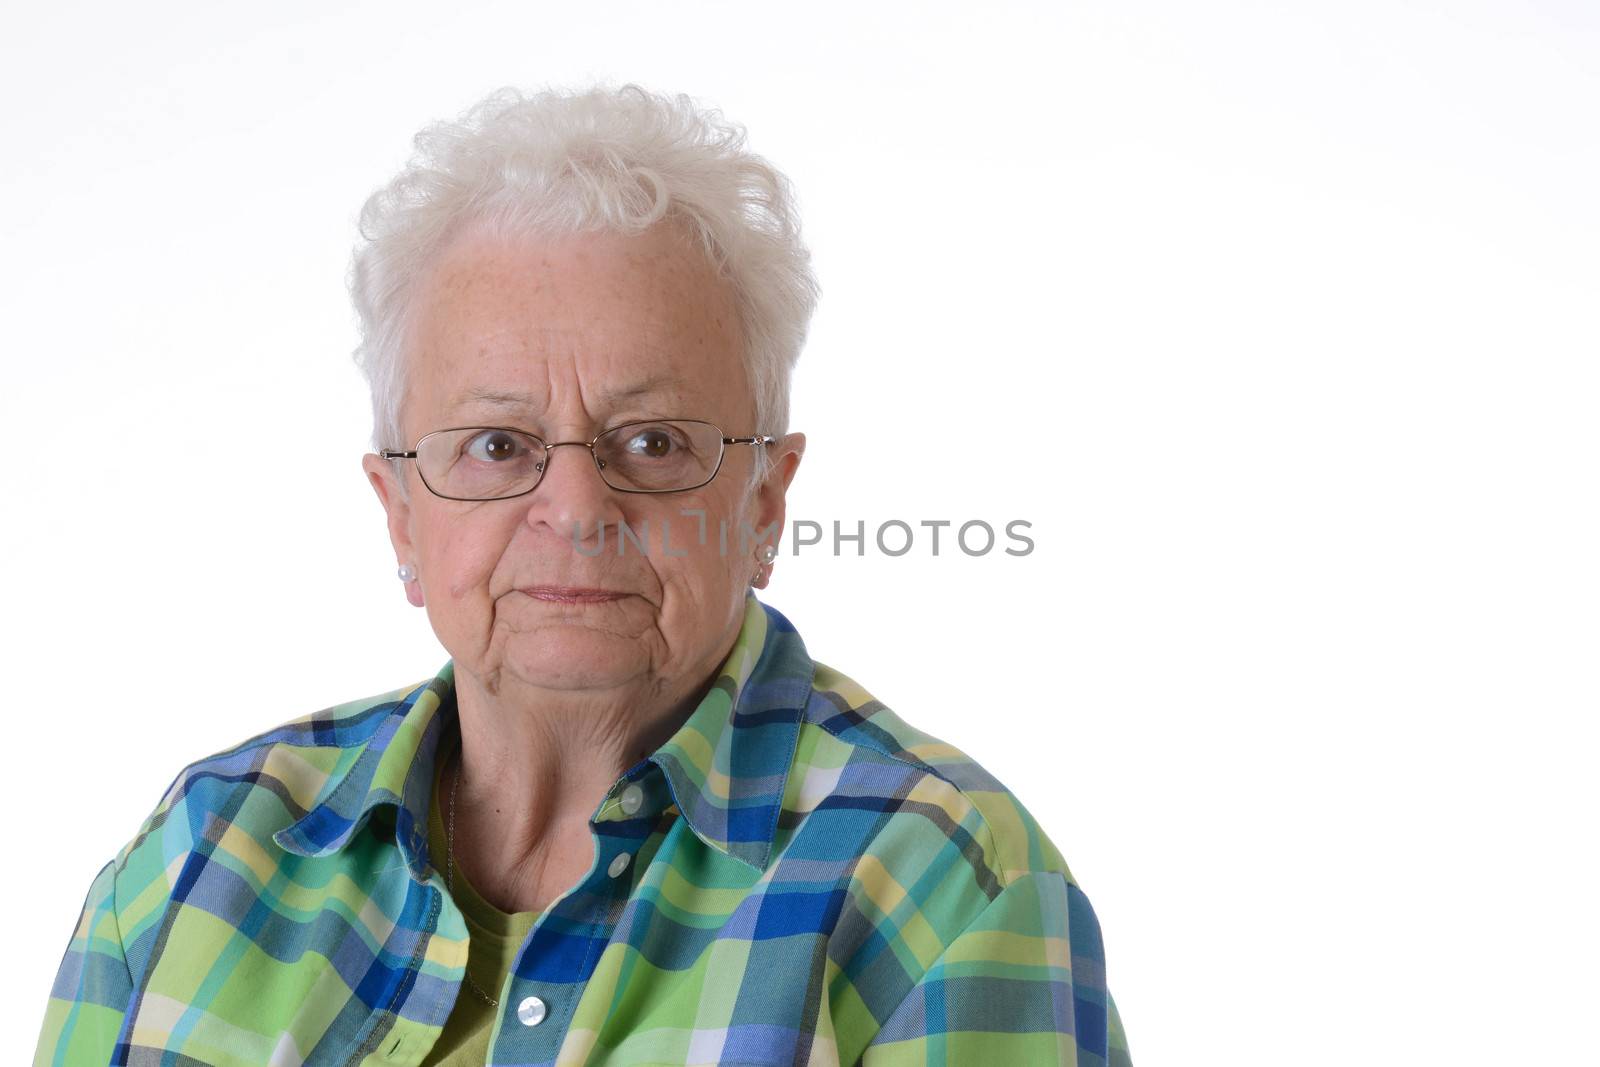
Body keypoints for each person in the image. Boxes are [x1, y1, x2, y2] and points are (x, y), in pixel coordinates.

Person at [34, 83, 1133, 1067]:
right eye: (496, 445)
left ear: (762, 501)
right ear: (400, 514)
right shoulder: (201, 852)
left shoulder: (943, 885)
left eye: (653, 442)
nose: (575, 508)